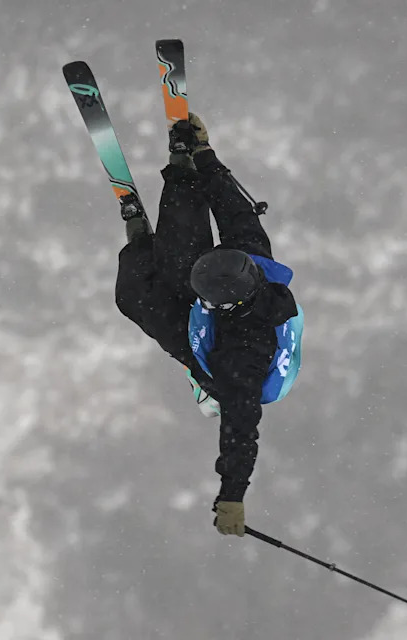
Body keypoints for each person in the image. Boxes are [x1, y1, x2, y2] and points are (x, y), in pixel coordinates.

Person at [114, 113, 304, 537]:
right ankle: (179, 174)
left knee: (137, 298)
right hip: (224, 294)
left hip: (231, 364)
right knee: (180, 258)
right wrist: (203, 153)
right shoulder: (249, 252)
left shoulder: (240, 358)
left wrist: (232, 495)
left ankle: (144, 244)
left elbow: (241, 427)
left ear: (224, 304)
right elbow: (233, 206)